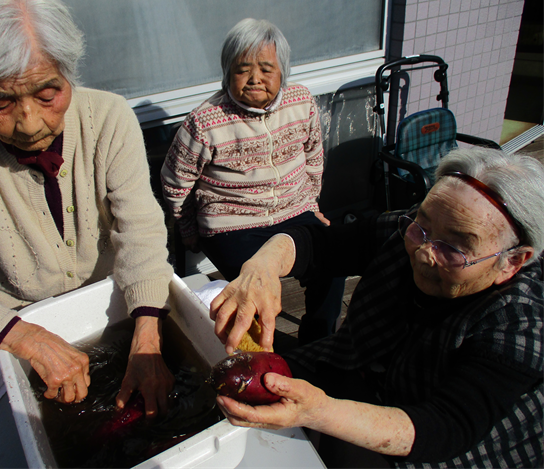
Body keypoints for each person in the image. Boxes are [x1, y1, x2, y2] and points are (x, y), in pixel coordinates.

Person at [0, 0, 174, 418]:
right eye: (0, 101)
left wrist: (146, 338)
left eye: (47, 94)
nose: (29, 122)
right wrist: (27, 339)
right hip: (17, 319)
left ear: (68, 74)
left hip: (111, 302)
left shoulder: (109, 117)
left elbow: (139, 229)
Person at [210, 147, 544, 468]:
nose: (425, 251)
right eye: (422, 225)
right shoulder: (408, 231)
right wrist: (263, 266)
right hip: (356, 366)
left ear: (513, 261)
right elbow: (319, 243)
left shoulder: (522, 323)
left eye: (454, 247)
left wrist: (318, 412)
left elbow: (446, 426)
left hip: (431, 440)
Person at [161, 18, 344, 346]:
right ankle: (265, 354)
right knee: (251, 291)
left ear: (282, 72)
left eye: (266, 68)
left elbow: (314, 157)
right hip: (233, 225)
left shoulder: (301, 102)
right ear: (227, 72)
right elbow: (176, 183)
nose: (255, 78)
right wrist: (188, 232)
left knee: (333, 258)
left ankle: (319, 343)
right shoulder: (204, 122)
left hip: (295, 210)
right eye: (243, 69)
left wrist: (311, 206)